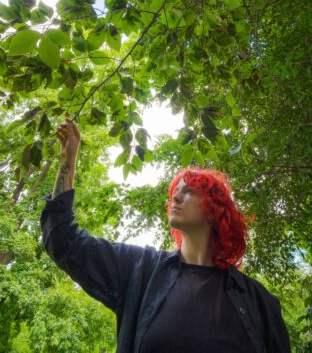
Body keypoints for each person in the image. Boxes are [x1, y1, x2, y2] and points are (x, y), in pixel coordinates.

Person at [40, 117, 291, 353]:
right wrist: (68, 161)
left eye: (190, 191)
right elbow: (63, 240)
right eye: (176, 191)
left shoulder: (260, 302)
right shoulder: (140, 271)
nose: (176, 196)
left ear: (216, 211)